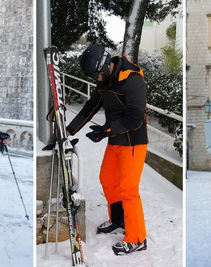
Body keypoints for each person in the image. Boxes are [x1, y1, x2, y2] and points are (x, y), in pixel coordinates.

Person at [66, 44, 148, 255]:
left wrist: (105, 130)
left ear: (103, 67)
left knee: (128, 189)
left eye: (95, 75)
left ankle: (137, 237)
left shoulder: (132, 80)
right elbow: (90, 107)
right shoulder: (107, 81)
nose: (95, 80)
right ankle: (119, 221)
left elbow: (135, 118)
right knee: (108, 180)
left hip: (133, 141)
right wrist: (68, 130)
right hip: (115, 140)